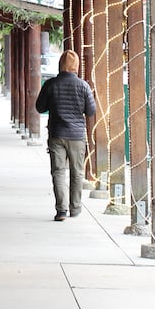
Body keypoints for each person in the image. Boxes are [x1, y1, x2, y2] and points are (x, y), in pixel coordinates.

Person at [34, 49, 97, 221]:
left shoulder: (51, 84)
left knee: (58, 172)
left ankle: (61, 210)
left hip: (57, 134)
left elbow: (40, 107)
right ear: (76, 66)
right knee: (77, 173)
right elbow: (91, 111)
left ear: (61, 64)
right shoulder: (83, 86)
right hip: (76, 136)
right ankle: (75, 208)